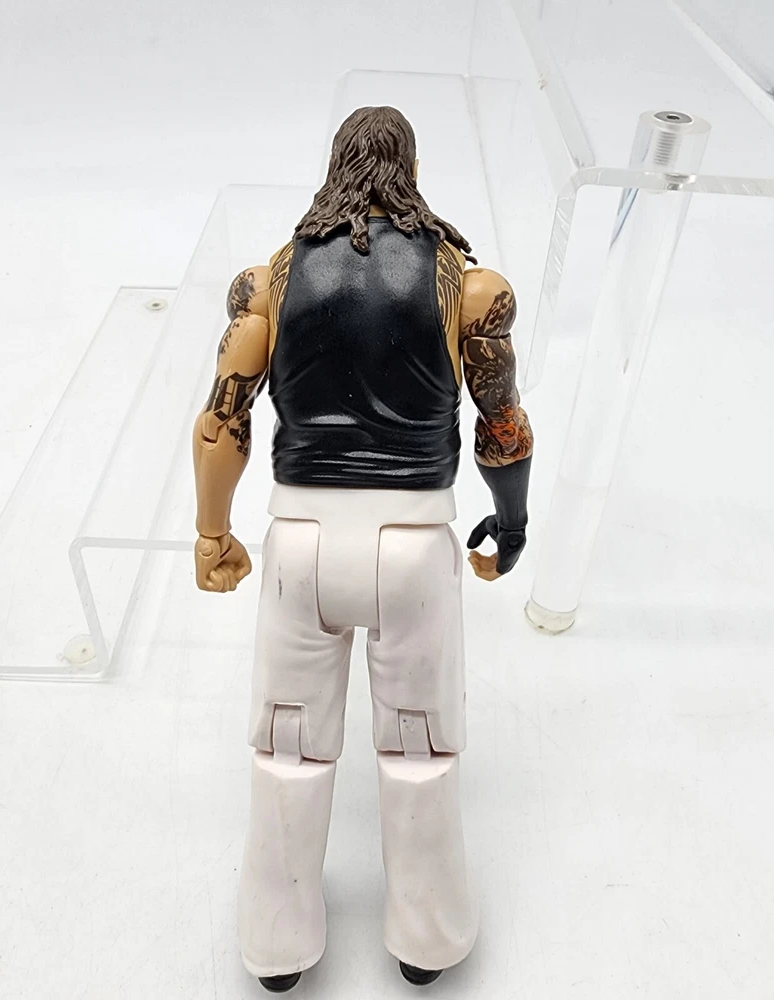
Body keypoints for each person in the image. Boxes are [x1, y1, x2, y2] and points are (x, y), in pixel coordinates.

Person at [192, 105, 533, 993]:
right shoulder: (470, 287)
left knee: (287, 749)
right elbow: (502, 426)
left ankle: (275, 948)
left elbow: (222, 420)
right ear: (410, 172)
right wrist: (512, 520)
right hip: (414, 547)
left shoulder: (265, 284)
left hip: (300, 543)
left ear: (334, 167)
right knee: (421, 751)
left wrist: (212, 531)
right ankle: (427, 941)